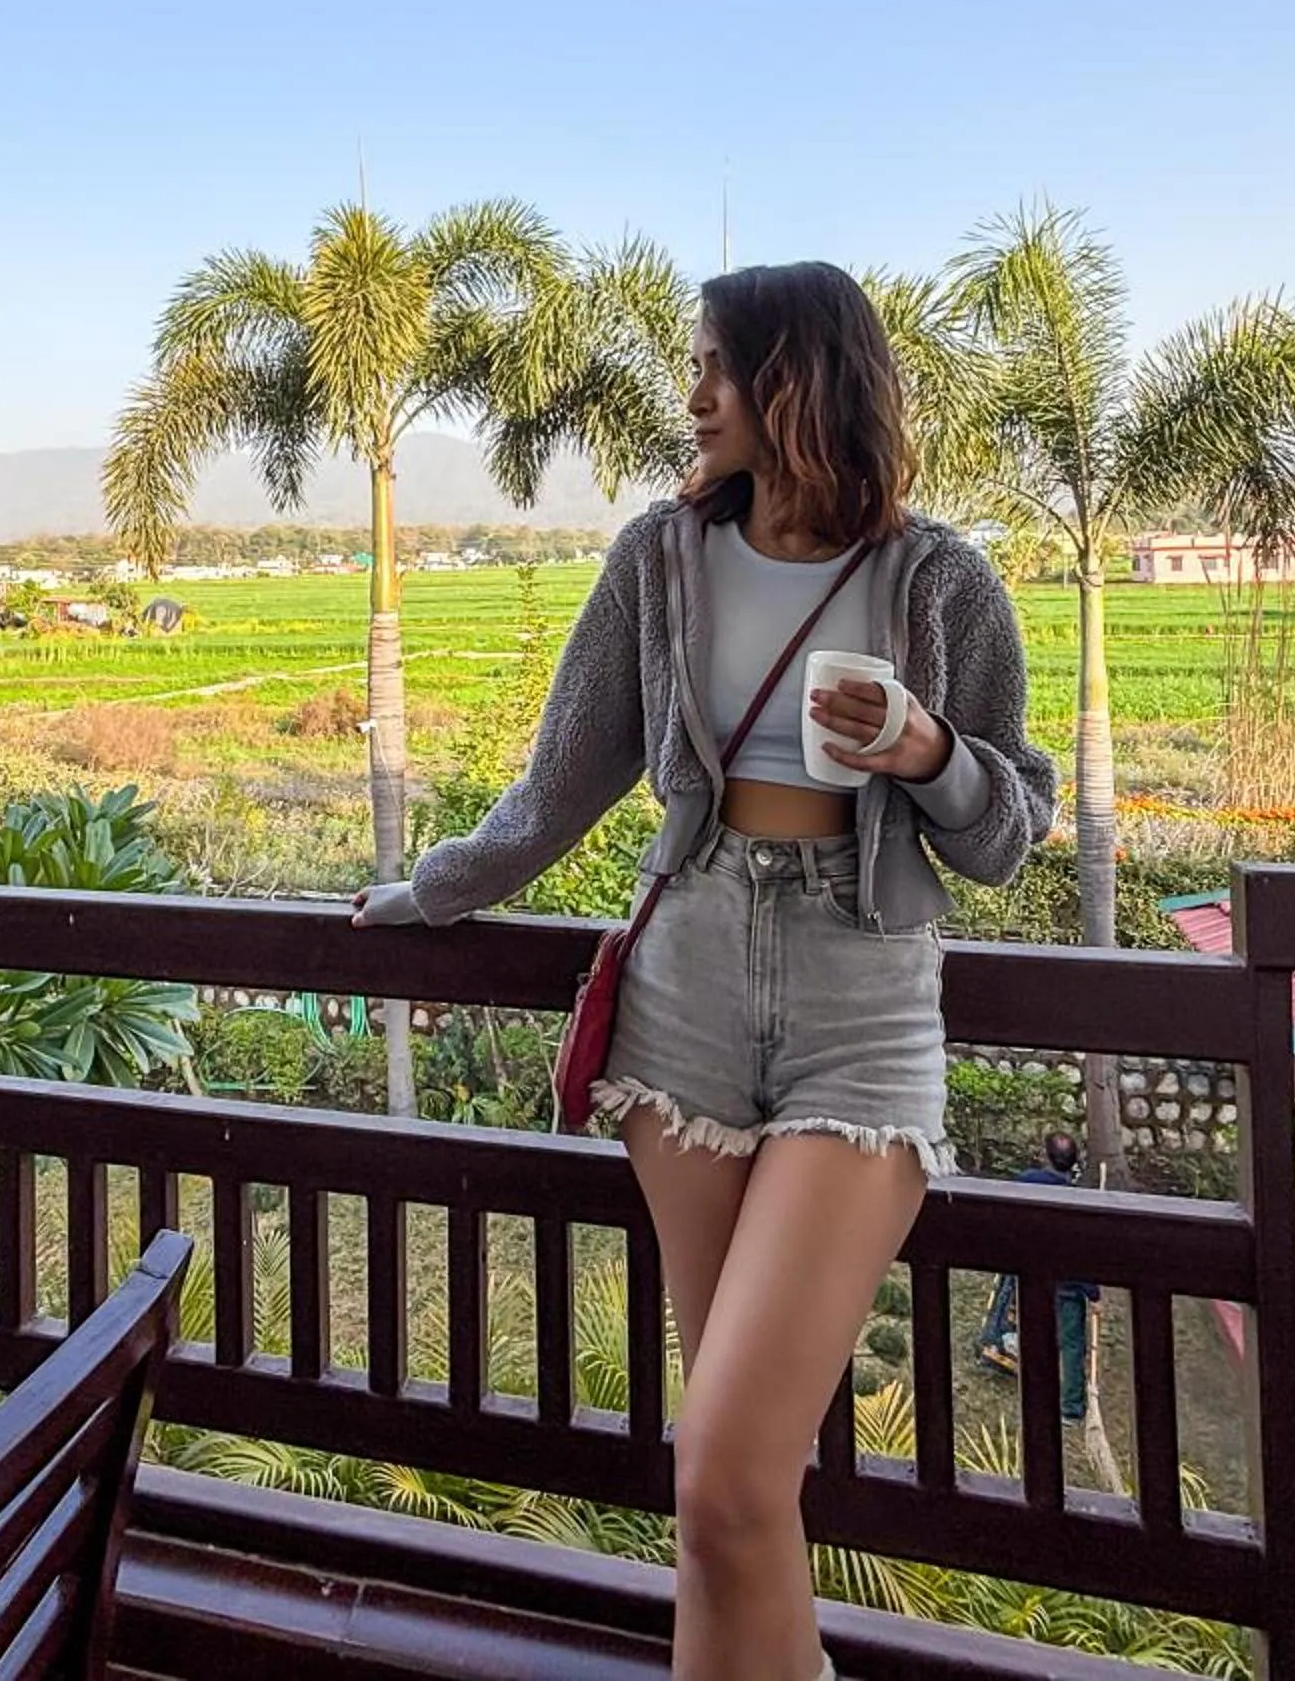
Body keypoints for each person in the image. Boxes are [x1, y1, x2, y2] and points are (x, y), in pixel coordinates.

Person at [355, 262, 1055, 1681]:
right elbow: (563, 781)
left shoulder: (940, 580)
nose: (693, 398)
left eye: (716, 368)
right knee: (728, 1498)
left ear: (799, 380)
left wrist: (927, 752)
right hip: (686, 985)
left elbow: (1008, 835)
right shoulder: (659, 558)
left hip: (863, 1000)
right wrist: (433, 893)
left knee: (728, 1477)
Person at [975, 1132, 1099, 1420]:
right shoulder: (1077, 1198)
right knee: (1071, 1344)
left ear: (1046, 1156)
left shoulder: (1026, 1181)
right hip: (1066, 1281)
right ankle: (1071, 1408)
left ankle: (1002, 1351)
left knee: (1023, 1318)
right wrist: (1092, 1291)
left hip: (1028, 1269)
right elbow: (1081, 1248)